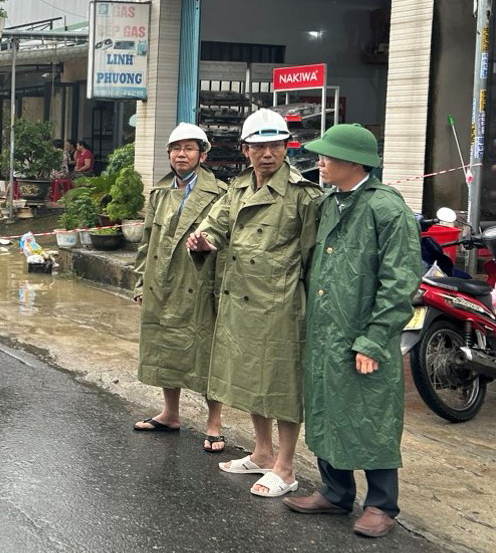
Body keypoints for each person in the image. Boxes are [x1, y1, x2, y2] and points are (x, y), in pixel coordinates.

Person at [283, 125, 421, 538]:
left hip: (363, 333)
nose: (320, 162)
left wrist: (375, 339)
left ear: (355, 162)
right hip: (327, 330)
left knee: (371, 415)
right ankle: (336, 492)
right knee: (328, 408)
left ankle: (381, 504)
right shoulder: (330, 201)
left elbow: (401, 281)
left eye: (328, 155)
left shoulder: (387, 209)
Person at [187, 108, 322, 498]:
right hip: (241, 300)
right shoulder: (239, 188)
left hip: (281, 306)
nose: (268, 153)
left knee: (281, 386)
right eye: (260, 146)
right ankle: (262, 454)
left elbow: (314, 257)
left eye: (276, 145)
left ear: (286, 148)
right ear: (245, 149)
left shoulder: (303, 195)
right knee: (249, 379)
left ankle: (286, 466)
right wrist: (204, 241)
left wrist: (312, 309)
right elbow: (215, 225)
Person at [132, 123, 228, 453]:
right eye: (175, 148)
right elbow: (148, 241)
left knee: (206, 353)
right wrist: (142, 280)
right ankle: (170, 413)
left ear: (203, 153)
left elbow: (226, 244)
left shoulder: (220, 193)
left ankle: (214, 423)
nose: (181, 154)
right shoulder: (159, 192)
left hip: (199, 283)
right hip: (161, 281)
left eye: (188, 148)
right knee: (163, 346)